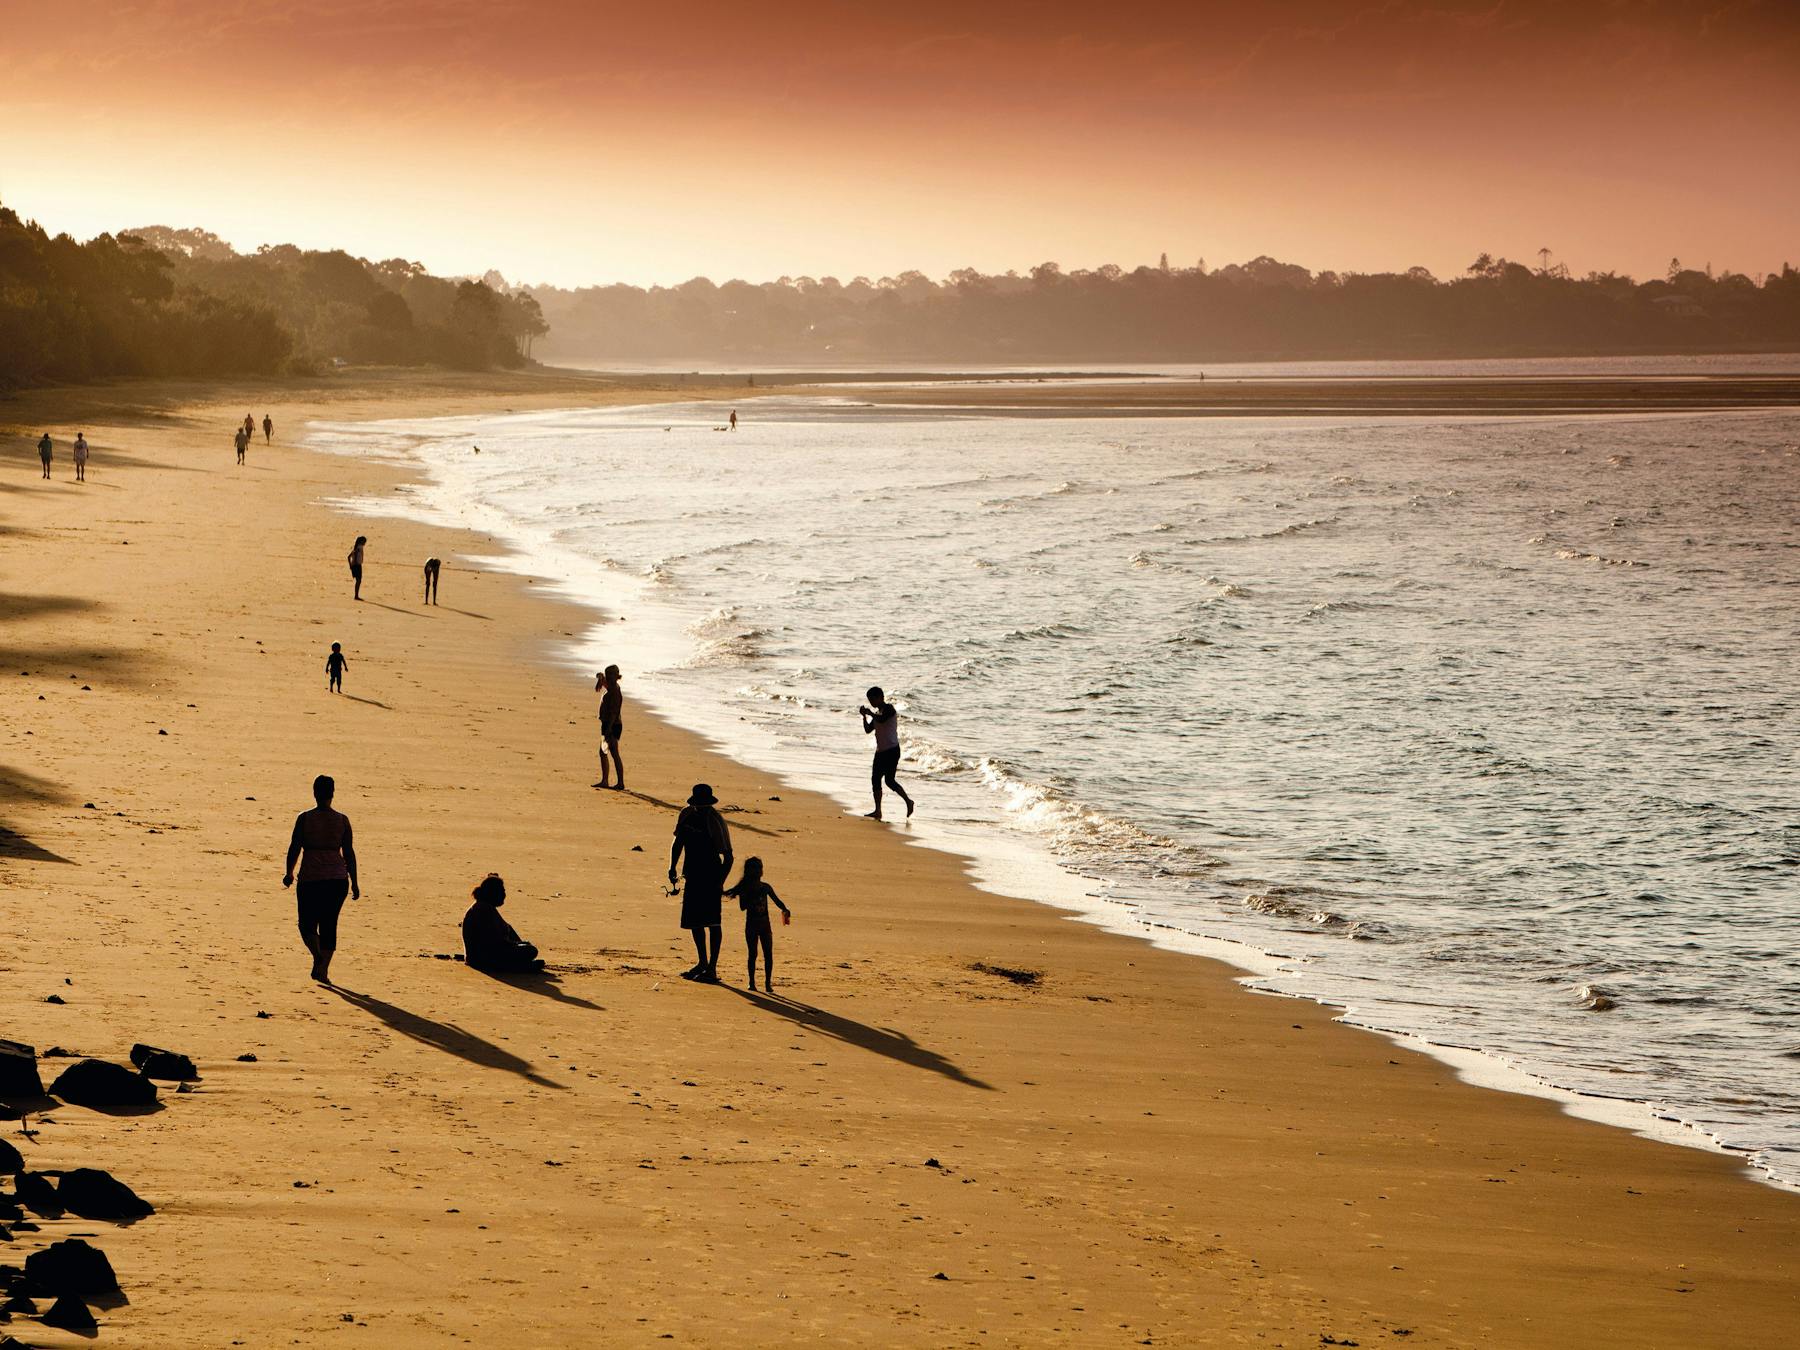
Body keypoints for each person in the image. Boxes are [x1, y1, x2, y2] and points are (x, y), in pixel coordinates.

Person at [282, 774, 359, 983]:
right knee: (329, 925)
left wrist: (289, 872)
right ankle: (322, 967)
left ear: (315, 793)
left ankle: (318, 959)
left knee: (306, 925)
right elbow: (349, 853)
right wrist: (355, 882)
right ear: (332, 794)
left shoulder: (305, 818)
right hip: (337, 880)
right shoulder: (342, 820)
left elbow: (295, 847)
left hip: (311, 879)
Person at [669, 783, 732, 983]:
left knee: (713, 922)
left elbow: (728, 857)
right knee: (694, 922)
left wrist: (720, 882)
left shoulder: (715, 820)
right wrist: (672, 867)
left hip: (711, 876)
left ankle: (712, 967)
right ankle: (702, 962)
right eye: (698, 805)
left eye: (704, 805)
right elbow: (678, 842)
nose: (700, 808)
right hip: (692, 875)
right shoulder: (686, 814)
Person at [726, 856, 790, 992]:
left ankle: (767, 983)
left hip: (765, 925)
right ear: (749, 871)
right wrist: (753, 896)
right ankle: (751, 982)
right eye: (756, 868)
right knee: (752, 954)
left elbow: (777, 900)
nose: (759, 870)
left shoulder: (766, 887)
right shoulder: (745, 888)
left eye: (760, 867)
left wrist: (784, 909)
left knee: (768, 954)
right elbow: (742, 907)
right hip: (752, 925)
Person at [462, 874, 544, 973]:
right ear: (493, 893)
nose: (504, 895)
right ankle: (519, 966)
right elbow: (493, 942)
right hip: (483, 959)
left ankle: (521, 964)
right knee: (531, 950)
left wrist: (517, 944)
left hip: (482, 956)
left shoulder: (485, 907)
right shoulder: (483, 909)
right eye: (502, 892)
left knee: (525, 946)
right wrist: (515, 945)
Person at [859, 686, 914, 820]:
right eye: (869, 700)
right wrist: (864, 716)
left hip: (892, 750)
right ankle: (878, 810)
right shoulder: (877, 714)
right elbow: (868, 730)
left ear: (880, 698)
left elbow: (882, 719)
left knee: (889, 781)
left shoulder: (889, 709)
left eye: (873, 699)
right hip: (880, 751)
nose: (871, 703)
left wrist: (870, 713)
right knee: (875, 780)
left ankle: (908, 801)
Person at [593, 664, 624, 789]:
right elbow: (599, 684)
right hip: (609, 724)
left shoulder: (615, 691)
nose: (608, 677)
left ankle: (618, 782)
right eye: (607, 674)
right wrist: (600, 678)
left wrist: (608, 729)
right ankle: (606, 780)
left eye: (611, 675)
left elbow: (613, 712)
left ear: (616, 676)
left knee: (610, 753)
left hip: (612, 725)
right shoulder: (610, 686)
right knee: (605, 752)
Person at [348, 535, 367, 600]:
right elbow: (351, 557)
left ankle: (356, 595)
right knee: (358, 581)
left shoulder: (358, 547)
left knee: (358, 581)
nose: (365, 543)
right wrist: (352, 566)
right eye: (364, 542)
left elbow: (349, 557)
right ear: (361, 542)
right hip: (357, 566)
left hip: (357, 565)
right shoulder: (358, 548)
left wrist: (350, 565)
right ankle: (356, 596)